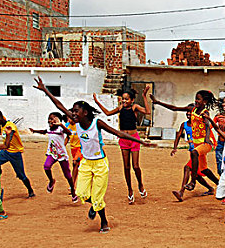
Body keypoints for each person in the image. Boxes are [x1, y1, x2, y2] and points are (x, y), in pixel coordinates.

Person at [34, 76, 155, 233]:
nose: (73, 113)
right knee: (81, 194)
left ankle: (104, 221)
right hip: (86, 163)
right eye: (73, 111)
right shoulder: (75, 122)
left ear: (85, 112)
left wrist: (141, 142)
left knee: (98, 197)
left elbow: (119, 133)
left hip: (100, 165)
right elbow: (59, 105)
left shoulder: (96, 123)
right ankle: (95, 205)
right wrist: (45, 90)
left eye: (76, 111)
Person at [151, 90, 219, 191]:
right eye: (195, 98)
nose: (196, 100)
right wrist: (158, 102)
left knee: (194, 153)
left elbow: (208, 126)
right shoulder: (192, 109)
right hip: (197, 143)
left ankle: (193, 182)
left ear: (204, 101)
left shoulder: (205, 112)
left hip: (205, 143)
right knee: (204, 169)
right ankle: (221, 184)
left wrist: (206, 138)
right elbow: (174, 108)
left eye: (198, 99)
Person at [93, 88, 150, 204]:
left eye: (126, 99)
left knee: (135, 166)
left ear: (132, 100)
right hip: (124, 140)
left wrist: (144, 96)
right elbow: (107, 113)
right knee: (126, 167)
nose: (124, 101)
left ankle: (140, 185)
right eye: (123, 99)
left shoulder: (135, 108)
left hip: (134, 139)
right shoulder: (120, 109)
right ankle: (129, 190)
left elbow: (147, 111)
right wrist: (97, 102)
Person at [29, 112, 77, 203]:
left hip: (61, 154)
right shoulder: (49, 129)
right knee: (46, 166)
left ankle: (73, 191)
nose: (50, 120)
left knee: (67, 175)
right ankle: (51, 181)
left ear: (57, 120)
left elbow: (69, 133)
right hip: (52, 153)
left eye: (52, 119)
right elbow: (44, 131)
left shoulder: (60, 129)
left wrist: (61, 125)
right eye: (49, 119)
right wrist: (34, 131)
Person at [0, 109, 35, 198]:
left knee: (21, 175)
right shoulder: (3, 124)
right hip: (5, 152)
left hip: (15, 153)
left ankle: (30, 190)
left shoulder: (10, 126)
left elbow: (8, 141)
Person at [171, 108, 215, 202]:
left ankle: (181, 192)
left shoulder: (199, 123)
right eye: (187, 114)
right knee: (201, 172)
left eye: (190, 114)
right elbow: (178, 135)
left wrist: (207, 138)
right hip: (193, 151)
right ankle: (214, 187)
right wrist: (175, 148)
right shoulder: (185, 125)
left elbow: (208, 127)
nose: (188, 115)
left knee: (187, 168)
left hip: (199, 150)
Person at [63, 114, 83, 187]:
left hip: (80, 147)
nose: (69, 120)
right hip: (73, 148)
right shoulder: (67, 125)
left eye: (71, 118)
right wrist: (63, 146)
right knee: (76, 165)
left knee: (75, 163)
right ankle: (75, 183)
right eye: (68, 118)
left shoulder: (80, 125)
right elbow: (67, 137)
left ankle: (72, 185)